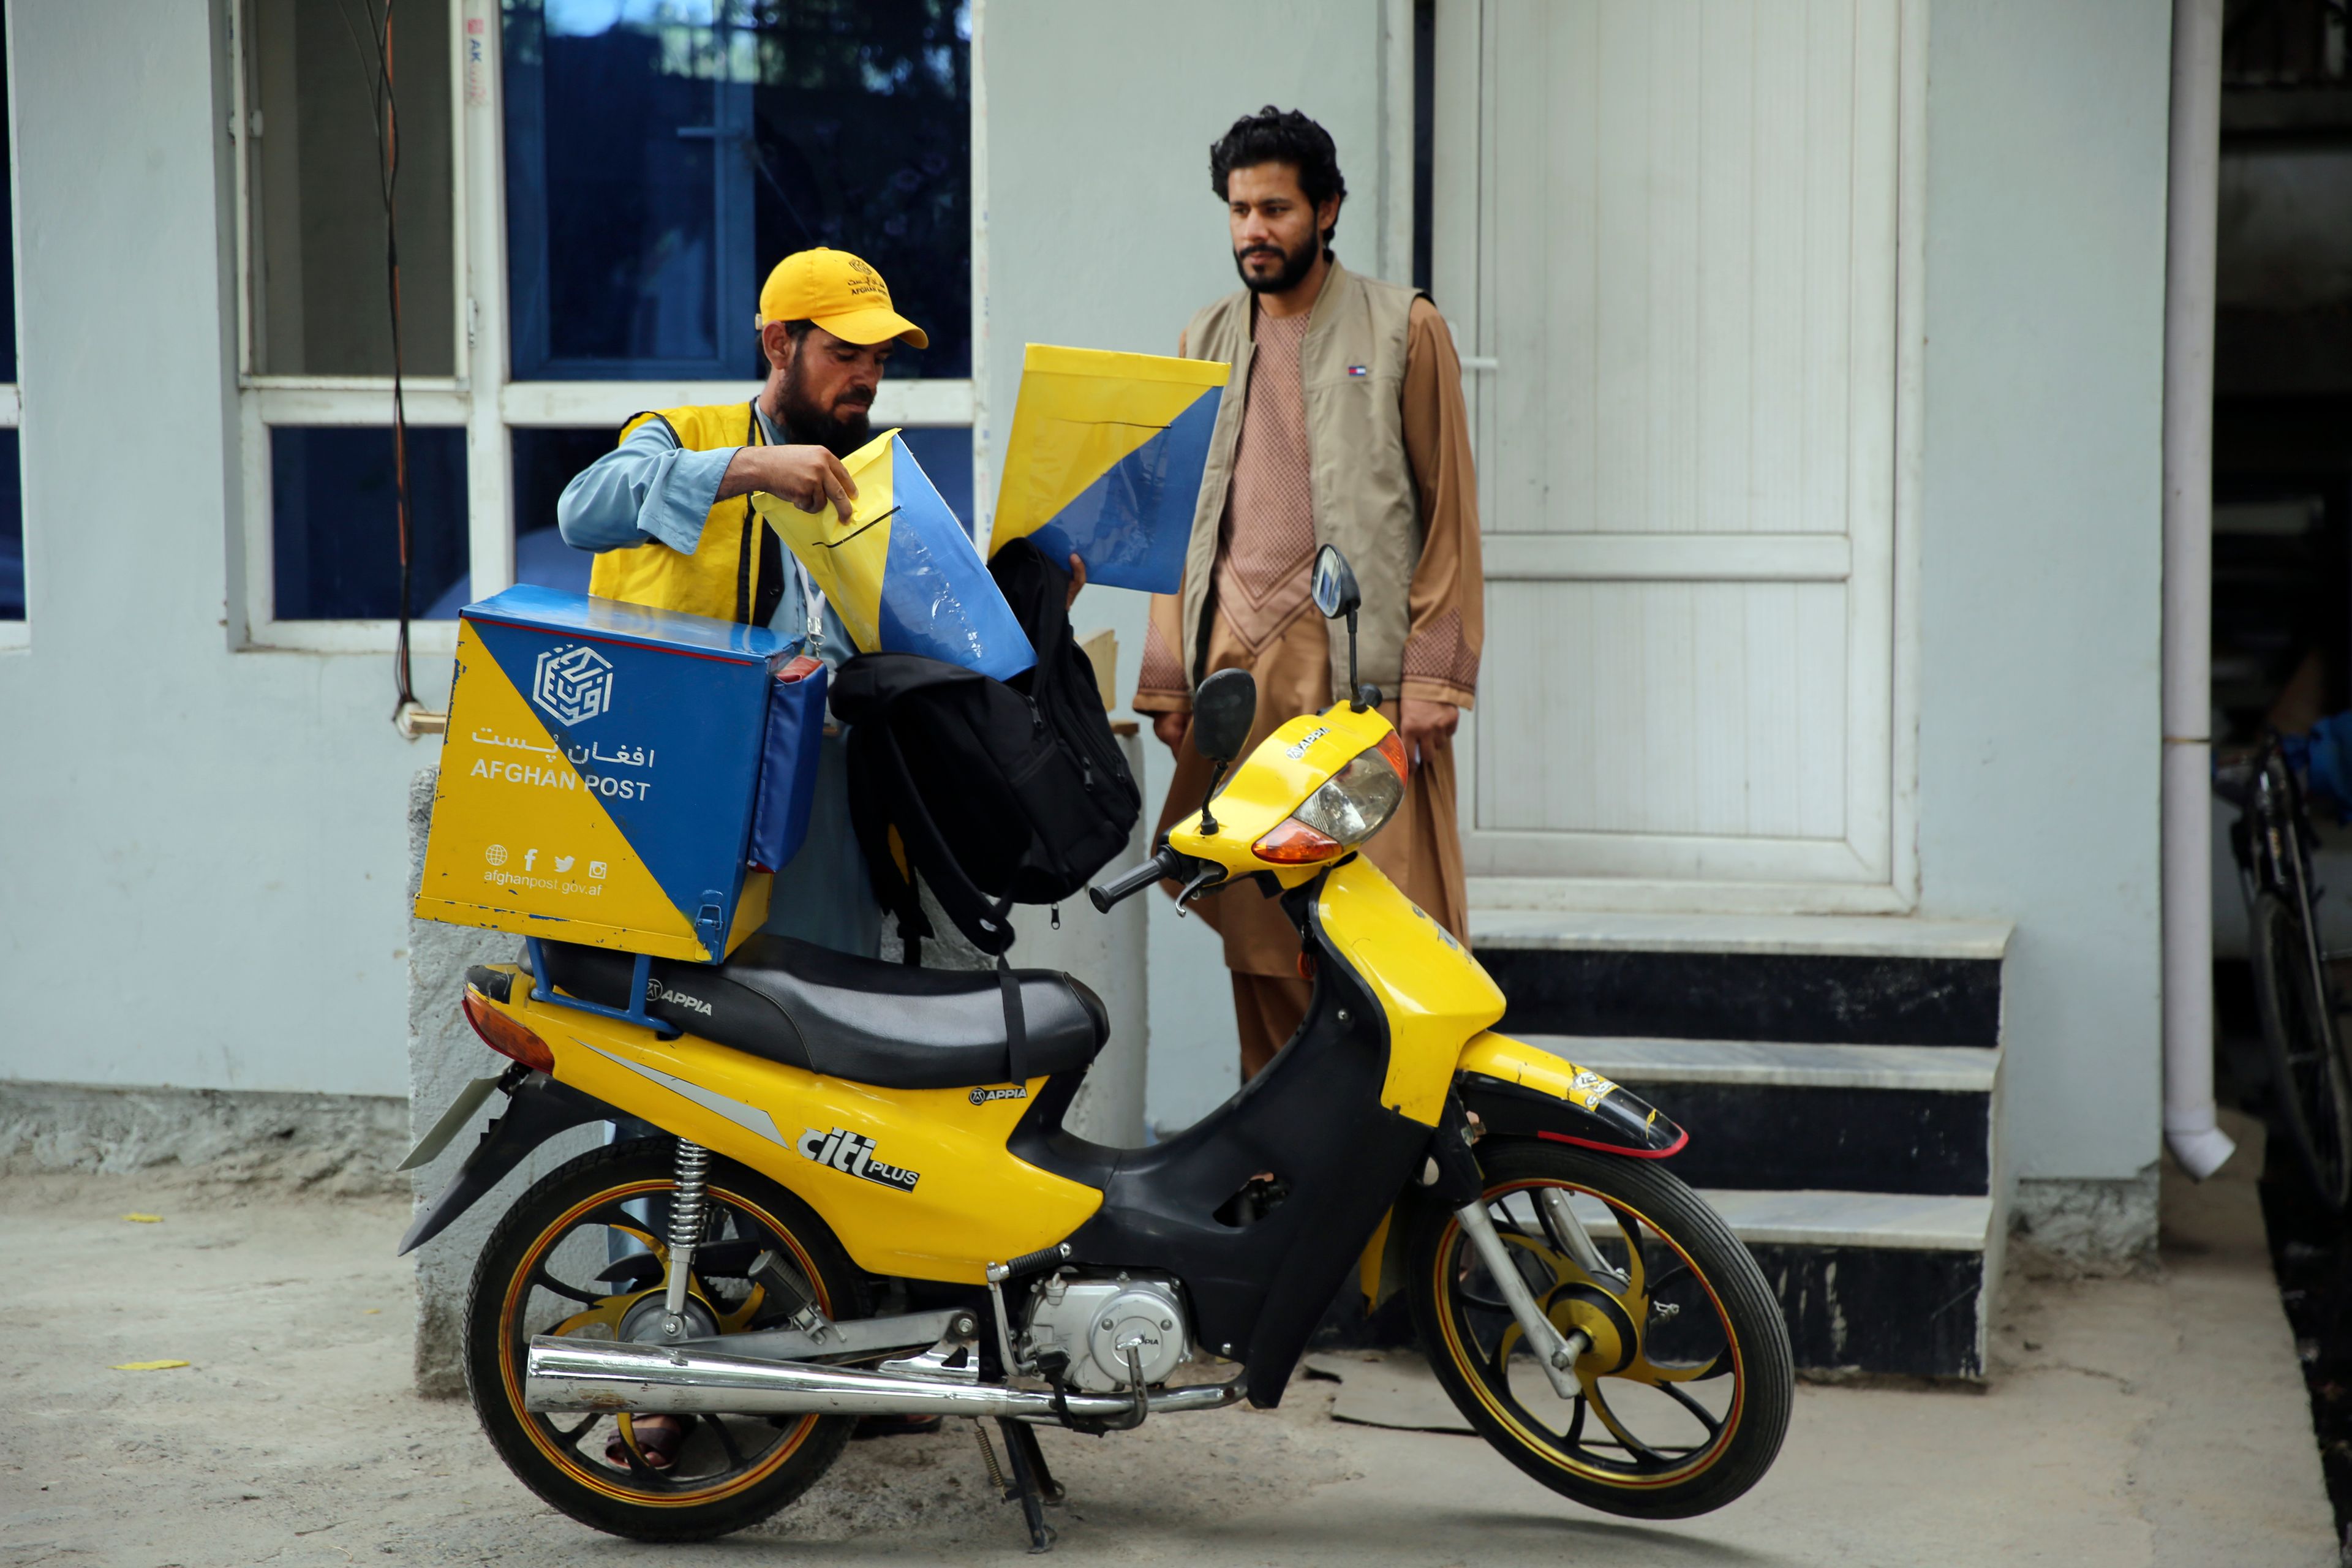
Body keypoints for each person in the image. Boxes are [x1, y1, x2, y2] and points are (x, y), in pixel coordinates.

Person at [1133, 106, 1485, 1081]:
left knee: (1385, 943)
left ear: (1326, 210)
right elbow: (1179, 525)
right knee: (1263, 943)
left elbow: (1448, 514)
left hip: (1361, 692)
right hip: (1240, 687)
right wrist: (1170, 685)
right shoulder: (1202, 337)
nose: (1254, 229)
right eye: (1241, 210)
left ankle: (1408, 1200)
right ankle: (1282, 1193)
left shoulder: (1403, 328)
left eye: (1276, 208)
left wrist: (1434, 679)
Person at [557, 246, 925, 963]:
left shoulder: (880, 485)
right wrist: (751, 467)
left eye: (880, 360)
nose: (867, 378)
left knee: (825, 1025)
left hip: (830, 811)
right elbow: (582, 509)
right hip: (693, 796)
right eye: (846, 353)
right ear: (779, 343)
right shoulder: (685, 435)